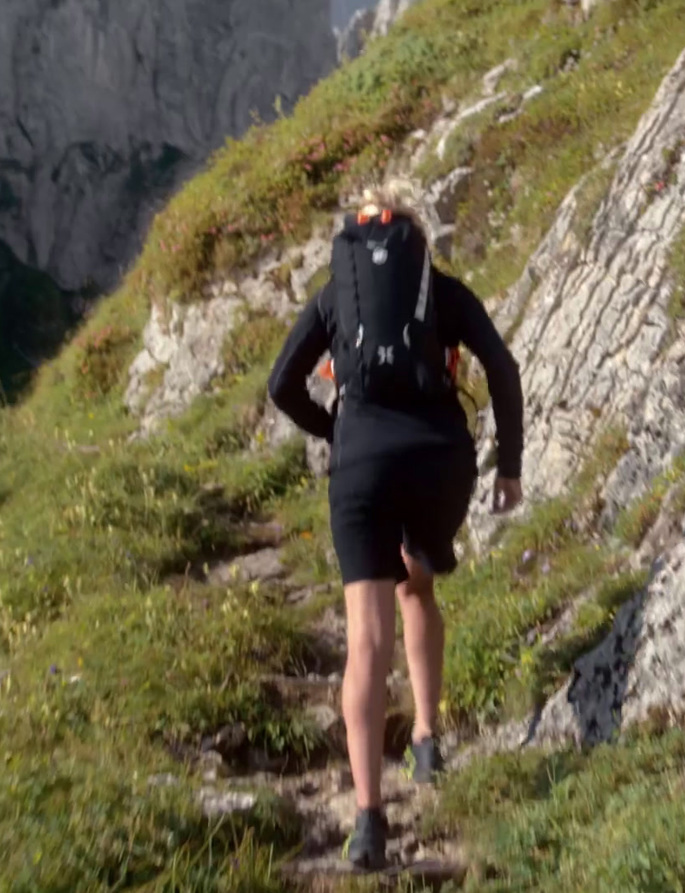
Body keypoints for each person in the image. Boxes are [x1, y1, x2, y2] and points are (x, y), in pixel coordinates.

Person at [267, 184, 525, 872]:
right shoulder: (443, 291)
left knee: (365, 642)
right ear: (416, 244)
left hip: (361, 467)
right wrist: (511, 469)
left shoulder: (334, 296)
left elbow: (280, 385)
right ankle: (429, 737)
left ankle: (368, 820)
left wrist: (334, 431)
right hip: (438, 458)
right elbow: (501, 367)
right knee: (418, 587)